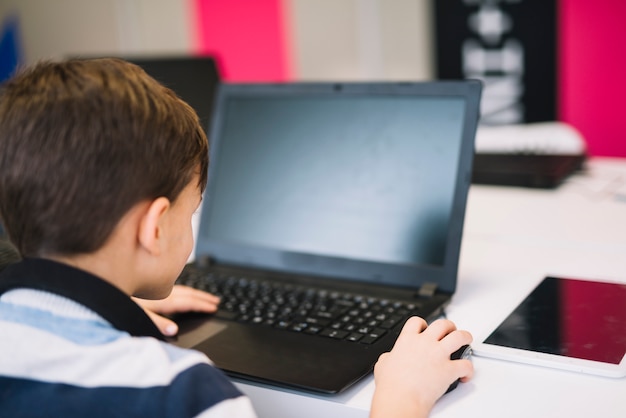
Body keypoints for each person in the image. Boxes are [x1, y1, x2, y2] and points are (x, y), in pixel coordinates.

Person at [0, 58, 473, 418]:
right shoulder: (184, 392)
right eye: (192, 213)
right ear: (155, 227)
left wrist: (107, 304)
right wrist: (401, 395)